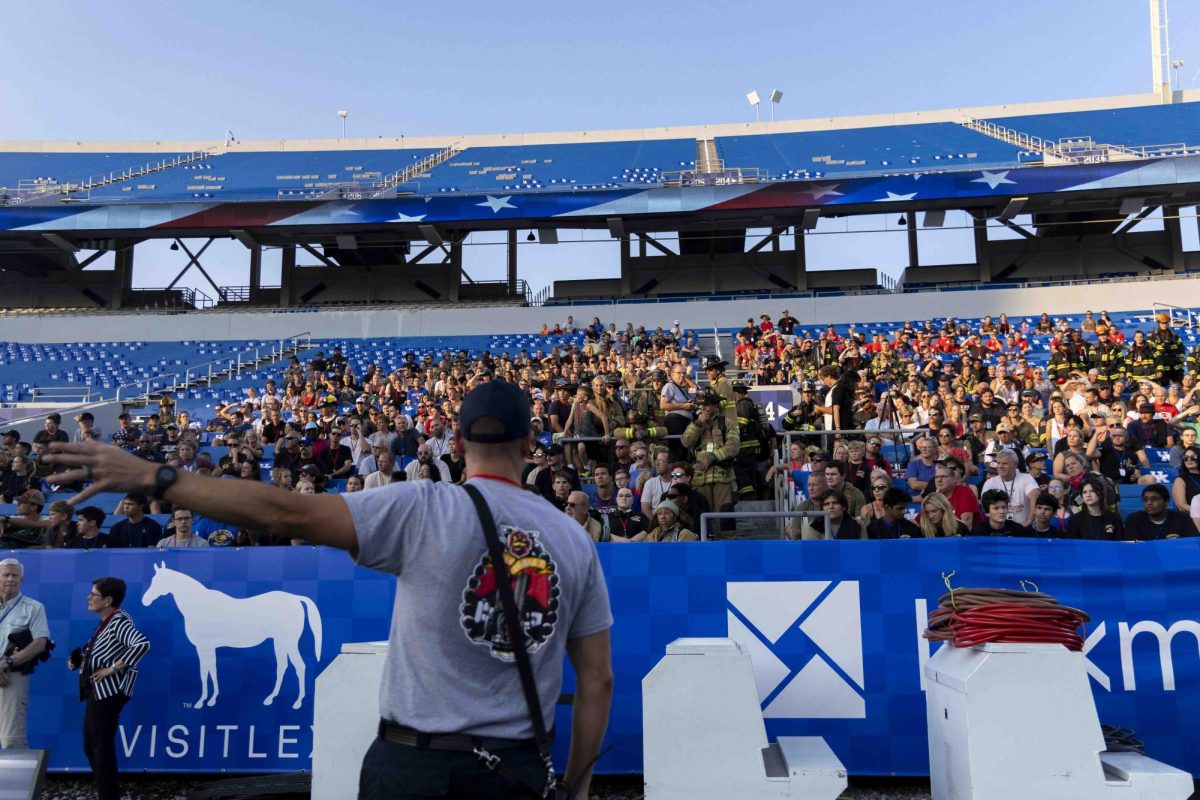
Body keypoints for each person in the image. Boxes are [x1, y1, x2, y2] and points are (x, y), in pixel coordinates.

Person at [46, 379, 613, 800]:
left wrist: (156, 476)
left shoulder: (421, 507)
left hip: (410, 768)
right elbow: (597, 680)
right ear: (532, 441)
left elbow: (283, 508)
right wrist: (579, 784)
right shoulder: (572, 538)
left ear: (458, 444)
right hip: (514, 772)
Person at [68, 576, 150, 800]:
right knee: (91, 744)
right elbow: (99, 650)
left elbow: (142, 644)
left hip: (109, 692)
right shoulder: (107, 622)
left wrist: (112, 668)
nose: (88, 597)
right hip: (98, 691)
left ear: (108, 600)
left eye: (93, 595)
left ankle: (108, 795)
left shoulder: (119, 621)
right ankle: (107, 791)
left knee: (100, 746)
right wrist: (79, 660)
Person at [0, 559, 50, 749]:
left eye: (15, 575)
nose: (10, 579)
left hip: (11, 676)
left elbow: (39, 644)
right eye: (6, 575)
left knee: (11, 739)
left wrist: (7, 662)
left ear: (22, 579)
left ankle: (14, 779)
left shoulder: (34, 607)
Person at [980, 451, 1040, 526]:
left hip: (1024, 528)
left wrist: (1027, 523)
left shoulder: (1027, 478)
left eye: (1004, 463)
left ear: (1015, 465)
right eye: (998, 463)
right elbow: (986, 507)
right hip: (999, 529)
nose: (1000, 466)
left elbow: (1035, 499)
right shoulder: (990, 483)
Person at [1123, 484, 1196, 540]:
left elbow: (1192, 544)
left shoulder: (1182, 518)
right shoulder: (1134, 519)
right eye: (1145, 499)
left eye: (1154, 499)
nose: (1149, 503)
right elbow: (1132, 548)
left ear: (1166, 502)